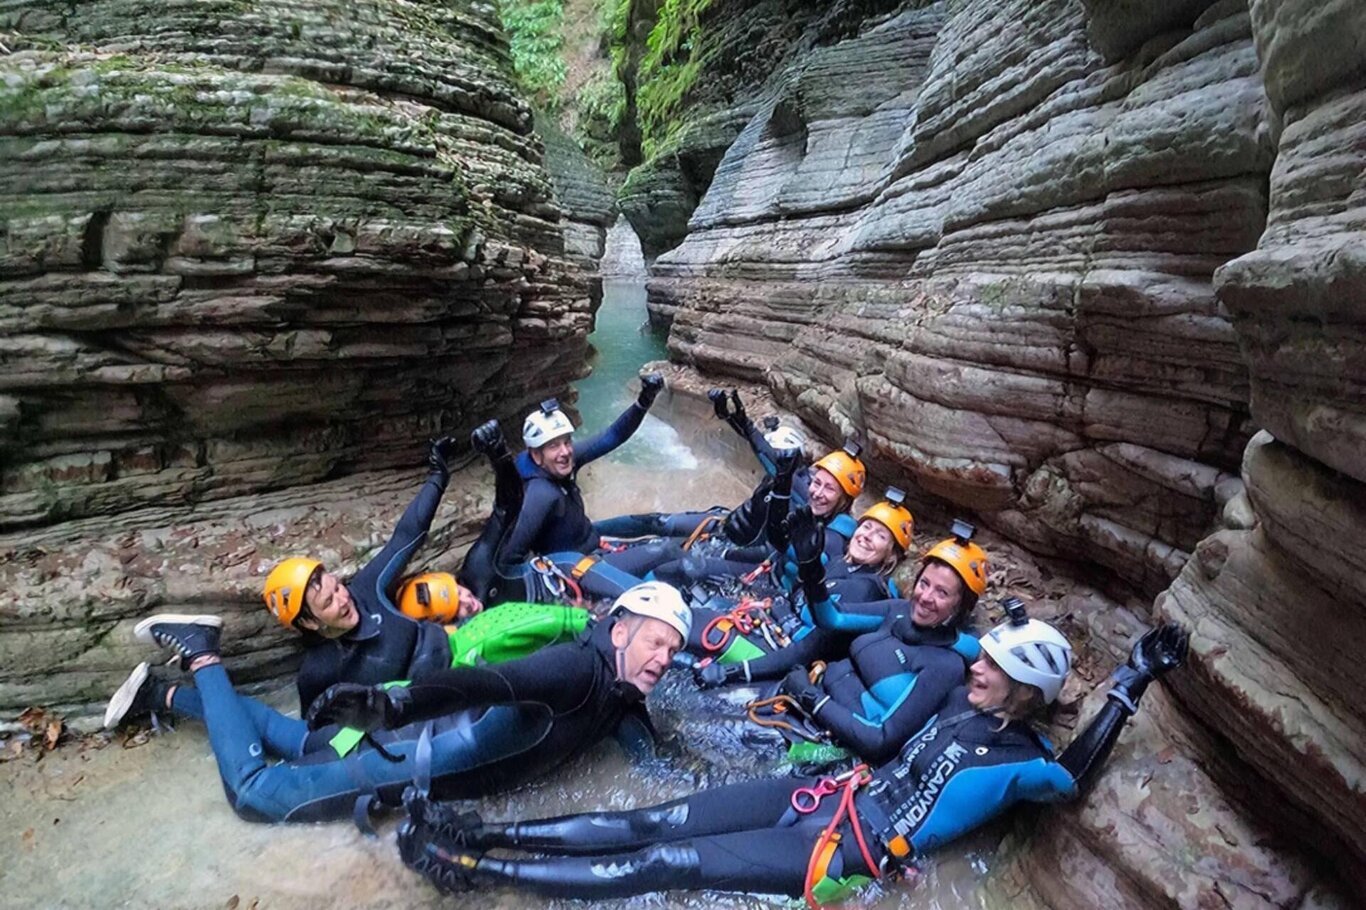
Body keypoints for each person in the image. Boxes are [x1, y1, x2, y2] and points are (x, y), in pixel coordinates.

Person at [394, 617, 1188, 905]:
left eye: (996, 666)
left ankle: (471, 870)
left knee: (667, 860)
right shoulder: (954, 697)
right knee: (652, 818)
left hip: (843, 850)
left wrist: (1130, 683)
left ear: (1025, 690)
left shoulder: (1025, 759)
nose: (977, 666)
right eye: (983, 658)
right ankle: (489, 835)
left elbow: (1076, 775)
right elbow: (870, 639)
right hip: (821, 794)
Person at [102, 582, 693, 824]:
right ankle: (202, 653)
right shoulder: (576, 667)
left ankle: (163, 694)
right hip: (402, 747)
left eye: (674, 649)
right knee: (257, 796)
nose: (664, 657)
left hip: (409, 735)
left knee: (297, 741)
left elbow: (650, 749)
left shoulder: (620, 693)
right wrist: (397, 708)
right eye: (655, 640)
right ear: (619, 631)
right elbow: (483, 685)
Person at [259, 434, 465, 712]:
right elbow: (318, 731)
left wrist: (437, 477)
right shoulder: (318, 672)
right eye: (328, 602)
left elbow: (406, 537)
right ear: (308, 623)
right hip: (429, 710)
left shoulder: (366, 589)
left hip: (460, 650)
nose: (343, 599)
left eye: (337, 587)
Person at [689, 490, 917, 677]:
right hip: (767, 628)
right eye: (866, 526)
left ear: (891, 556)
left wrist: (735, 671)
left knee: (690, 624)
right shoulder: (840, 563)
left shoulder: (867, 591)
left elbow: (806, 652)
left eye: (880, 535)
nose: (866, 536)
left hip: (779, 656)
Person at [494, 375, 671, 600]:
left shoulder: (556, 464)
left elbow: (612, 436)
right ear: (536, 455)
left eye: (567, 441)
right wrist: (555, 592)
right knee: (667, 551)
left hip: (591, 544)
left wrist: (644, 401)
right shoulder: (540, 495)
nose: (566, 452)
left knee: (660, 533)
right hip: (582, 570)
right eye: (553, 446)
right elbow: (508, 561)